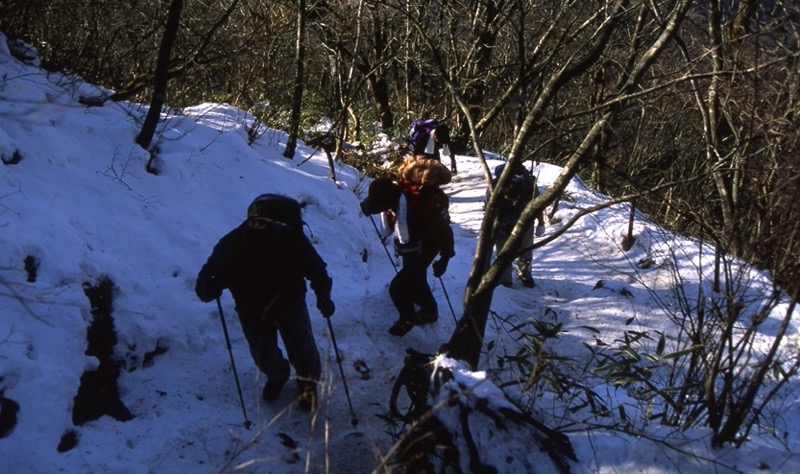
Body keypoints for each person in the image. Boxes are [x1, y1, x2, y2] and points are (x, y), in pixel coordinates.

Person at [194, 194, 335, 411]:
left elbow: (316, 269)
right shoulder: (233, 242)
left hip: (290, 303)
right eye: (256, 222)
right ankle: (277, 375)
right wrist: (208, 287)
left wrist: (323, 295)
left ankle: (308, 385)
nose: (260, 226)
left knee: (302, 349)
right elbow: (211, 272)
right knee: (263, 354)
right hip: (251, 308)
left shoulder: (292, 238)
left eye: (266, 222)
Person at [360, 178, 455, 336]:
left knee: (397, 288)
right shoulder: (395, 200)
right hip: (412, 246)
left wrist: (444, 260)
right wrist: (367, 207)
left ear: (389, 200)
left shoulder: (417, 209)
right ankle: (429, 312)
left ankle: (408, 318)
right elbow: (376, 205)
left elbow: (445, 231)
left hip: (427, 247)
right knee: (417, 279)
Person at [490, 162, 545, 288]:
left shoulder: (530, 188)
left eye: (514, 198)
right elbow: (489, 210)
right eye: (509, 198)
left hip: (525, 222)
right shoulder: (493, 187)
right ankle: (504, 279)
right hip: (501, 223)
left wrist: (541, 223)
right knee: (503, 253)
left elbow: (538, 206)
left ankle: (525, 274)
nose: (512, 201)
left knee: (525, 251)